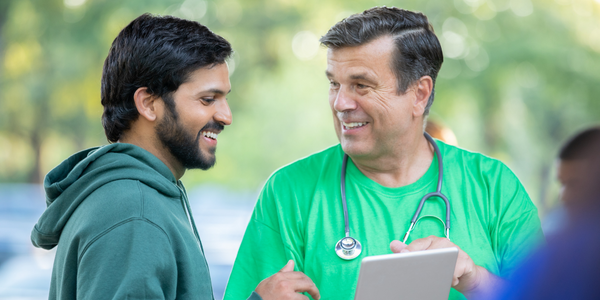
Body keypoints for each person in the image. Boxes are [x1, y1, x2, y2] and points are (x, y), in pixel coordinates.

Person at [224, 7, 543, 300]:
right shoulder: (289, 192)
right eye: (334, 84)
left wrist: (475, 281)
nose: (340, 104)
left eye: (361, 86)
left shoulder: (495, 188)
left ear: (420, 94)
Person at [30, 14, 319, 300]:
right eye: (208, 99)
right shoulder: (135, 212)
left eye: (225, 98)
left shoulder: (140, 195)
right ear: (148, 103)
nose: (226, 116)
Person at [497, 126, 600, 299]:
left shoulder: (561, 256)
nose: (564, 196)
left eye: (575, 184)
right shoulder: (556, 253)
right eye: (562, 184)